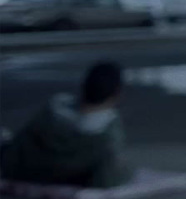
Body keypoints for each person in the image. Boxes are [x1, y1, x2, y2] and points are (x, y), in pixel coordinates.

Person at [0, 61, 132, 188]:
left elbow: (20, 144)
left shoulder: (53, 110)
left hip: (20, 168)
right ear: (117, 93)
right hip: (57, 176)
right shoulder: (106, 132)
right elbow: (107, 177)